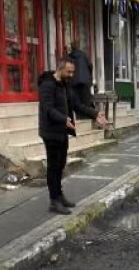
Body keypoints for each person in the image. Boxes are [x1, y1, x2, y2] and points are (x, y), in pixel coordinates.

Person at [39, 57, 107, 215]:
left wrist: (95, 114)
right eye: (69, 72)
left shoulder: (65, 85)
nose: (71, 75)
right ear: (60, 68)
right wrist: (63, 119)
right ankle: (54, 201)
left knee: (61, 164)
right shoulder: (47, 85)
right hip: (50, 131)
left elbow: (76, 104)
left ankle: (59, 196)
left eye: (73, 72)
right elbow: (47, 109)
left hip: (62, 130)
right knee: (54, 166)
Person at [68, 40, 94, 117]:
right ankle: (87, 118)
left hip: (74, 82)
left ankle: (80, 118)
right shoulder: (84, 55)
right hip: (85, 81)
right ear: (79, 46)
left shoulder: (69, 57)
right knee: (86, 101)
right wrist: (89, 75)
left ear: (71, 48)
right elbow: (90, 65)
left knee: (77, 102)